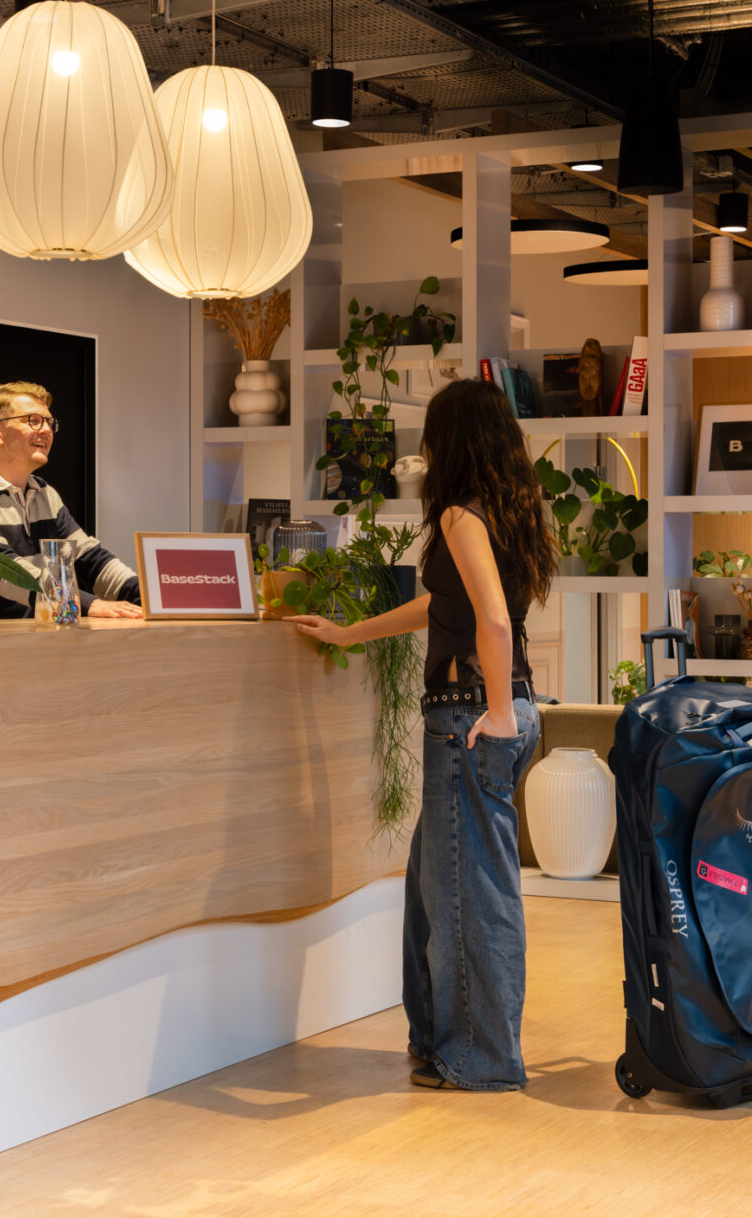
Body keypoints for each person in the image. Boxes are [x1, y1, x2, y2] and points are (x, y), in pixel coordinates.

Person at [286, 378, 555, 1091]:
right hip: (495, 708)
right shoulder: (509, 510)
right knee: (438, 890)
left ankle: (483, 1057)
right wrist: (350, 632)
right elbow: (444, 605)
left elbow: (493, 622)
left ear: (453, 440)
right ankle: (441, 1043)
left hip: (473, 716)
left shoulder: (465, 515)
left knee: (471, 896)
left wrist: (494, 714)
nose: (425, 449)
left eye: (433, 435)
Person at [0, 381, 142, 621]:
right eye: (33, 420)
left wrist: (149, 596)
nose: (46, 430)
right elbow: (2, 567)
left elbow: (89, 558)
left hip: (41, 641)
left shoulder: (45, 493)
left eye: (49, 422)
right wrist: (89, 604)